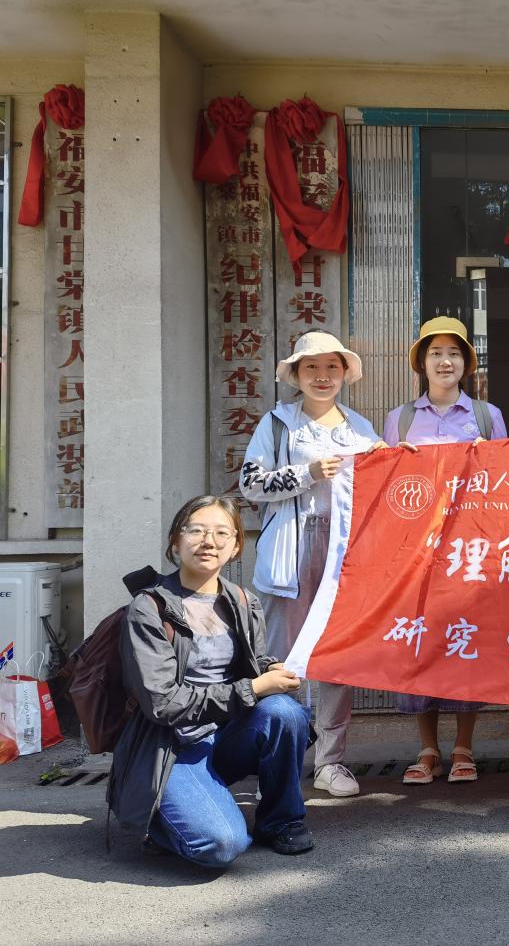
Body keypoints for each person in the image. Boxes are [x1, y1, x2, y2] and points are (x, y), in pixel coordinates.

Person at [108, 496, 313, 867]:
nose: (209, 541)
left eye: (222, 533)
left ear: (235, 547)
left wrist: (273, 669)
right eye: (196, 531)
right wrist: (254, 688)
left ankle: (281, 821)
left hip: (226, 736)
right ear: (175, 541)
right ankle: (157, 820)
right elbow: (162, 703)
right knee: (222, 846)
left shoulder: (242, 600)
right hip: (172, 746)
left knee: (284, 711)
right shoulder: (149, 608)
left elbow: (252, 665)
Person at [239, 329, 390, 798]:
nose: (322, 376)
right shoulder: (277, 423)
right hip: (292, 545)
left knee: (336, 656)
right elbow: (250, 483)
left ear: (344, 373)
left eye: (331, 367)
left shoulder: (360, 427)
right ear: (296, 374)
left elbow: (387, 482)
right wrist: (306, 473)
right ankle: (275, 764)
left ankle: (330, 762)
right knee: (281, 659)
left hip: (345, 552)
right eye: (312, 367)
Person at [382, 316, 508, 786]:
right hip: (416, 553)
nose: (445, 361)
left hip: (470, 550)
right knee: (421, 644)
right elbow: (387, 486)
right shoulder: (400, 418)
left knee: (464, 643)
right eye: (435, 353)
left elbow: (505, 484)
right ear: (421, 362)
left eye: (454, 353)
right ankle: (428, 748)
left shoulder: (487, 416)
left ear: (466, 363)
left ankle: (463, 747)